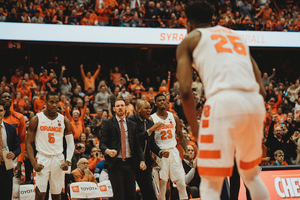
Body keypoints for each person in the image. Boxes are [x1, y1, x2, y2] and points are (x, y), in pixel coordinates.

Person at [176, 1, 269, 200]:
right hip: (253, 102)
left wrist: (195, 130)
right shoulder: (237, 36)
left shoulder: (190, 39)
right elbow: (260, 84)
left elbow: (185, 91)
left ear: (189, 24)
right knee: (252, 175)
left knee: (211, 181)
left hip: (222, 100)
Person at [26, 91, 75, 200]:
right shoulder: (36, 119)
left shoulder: (64, 120)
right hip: (42, 158)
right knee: (39, 194)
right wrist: (33, 163)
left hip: (58, 159)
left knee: (57, 195)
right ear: (46, 102)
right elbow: (28, 143)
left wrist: (67, 161)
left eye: (56, 102)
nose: (54, 105)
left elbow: (71, 143)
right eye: (51, 102)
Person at [99, 98, 146, 200]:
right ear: (114, 109)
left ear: (126, 108)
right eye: (118, 106)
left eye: (122, 105)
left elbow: (137, 145)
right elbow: (102, 143)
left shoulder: (132, 125)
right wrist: (107, 151)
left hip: (130, 164)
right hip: (115, 164)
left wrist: (142, 160)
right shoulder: (108, 123)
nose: (120, 107)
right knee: (119, 195)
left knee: (131, 195)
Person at [128, 100, 170, 200]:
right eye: (146, 108)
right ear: (138, 109)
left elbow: (151, 143)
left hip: (145, 162)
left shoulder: (150, 122)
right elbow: (135, 140)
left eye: (149, 108)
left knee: (150, 194)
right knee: (130, 194)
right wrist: (150, 130)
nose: (149, 110)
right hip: (131, 162)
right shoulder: (130, 121)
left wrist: (160, 152)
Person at [150, 94, 188, 200]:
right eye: (159, 100)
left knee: (181, 182)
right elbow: (149, 140)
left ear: (167, 102)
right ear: (155, 103)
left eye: (164, 100)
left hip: (173, 152)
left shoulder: (174, 117)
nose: (162, 102)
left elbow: (180, 135)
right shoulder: (152, 119)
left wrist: (186, 150)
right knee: (162, 187)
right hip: (160, 154)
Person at [0, 91, 26, 178]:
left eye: (9, 97)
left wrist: (19, 162)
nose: (7, 98)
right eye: (4, 97)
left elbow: (22, 142)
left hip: (14, 157)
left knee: (13, 189)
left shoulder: (19, 117)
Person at [0, 102, 21, 200]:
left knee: (6, 196)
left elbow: (18, 148)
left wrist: (14, 154)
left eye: (0, 110)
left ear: (4, 112)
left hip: (6, 167)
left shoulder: (11, 128)